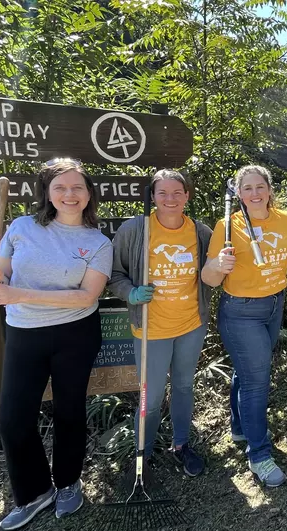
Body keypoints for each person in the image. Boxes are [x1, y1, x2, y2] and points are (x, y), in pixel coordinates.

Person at [0, 158, 113, 530]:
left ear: (88, 194)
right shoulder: (21, 228)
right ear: (48, 194)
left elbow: (86, 298)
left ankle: (68, 483)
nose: (69, 194)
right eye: (60, 187)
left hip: (75, 334)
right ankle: (35, 492)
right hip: (24, 333)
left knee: (69, 411)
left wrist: (13, 292)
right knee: (13, 419)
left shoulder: (97, 242)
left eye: (77, 187)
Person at [108, 169, 213, 477]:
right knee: (150, 397)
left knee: (183, 386)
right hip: (151, 330)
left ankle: (181, 445)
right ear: (152, 197)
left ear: (187, 196)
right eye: (162, 193)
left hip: (191, 325)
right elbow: (115, 276)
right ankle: (144, 452)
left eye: (177, 193)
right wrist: (131, 293)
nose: (170, 199)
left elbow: (212, 272)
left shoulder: (200, 232)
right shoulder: (135, 230)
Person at [201, 165, 287, 487]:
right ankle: (259, 455)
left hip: (274, 305)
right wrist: (219, 265)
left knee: (245, 373)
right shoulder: (228, 226)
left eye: (260, 187)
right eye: (247, 188)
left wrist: (278, 274)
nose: (255, 193)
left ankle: (240, 427)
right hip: (241, 312)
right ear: (239, 194)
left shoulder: (285, 220)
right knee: (257, 382)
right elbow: (209, 278)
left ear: (270, 190)